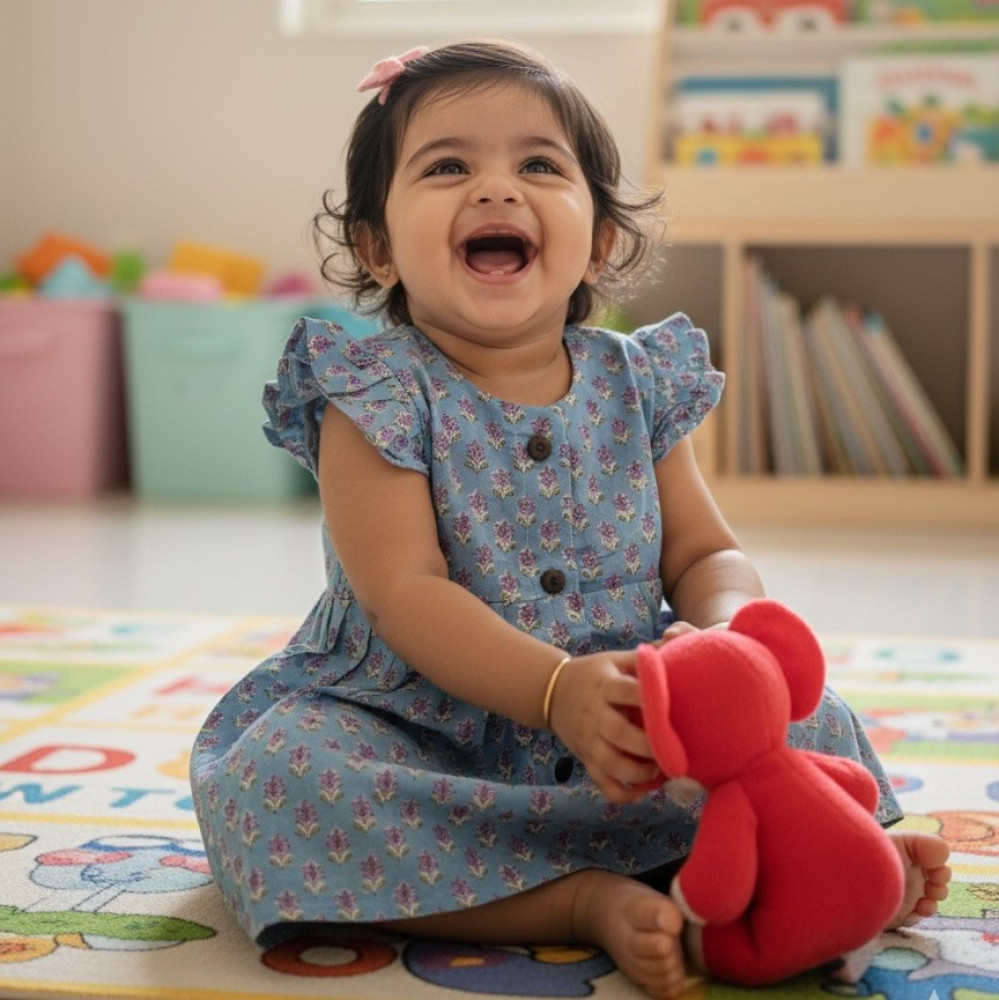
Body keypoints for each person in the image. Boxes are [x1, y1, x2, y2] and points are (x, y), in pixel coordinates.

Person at [190, 39, 950, 999]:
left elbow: (704, 550)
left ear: (598, 240)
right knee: (280, 777)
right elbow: (404, 592)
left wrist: (727, 636)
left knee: (804, 716)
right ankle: (573, 900)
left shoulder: (637, 380)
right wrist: (553, 693)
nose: (495, 188)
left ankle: (833, 859)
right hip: (424, 729)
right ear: (377, 245)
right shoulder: (373, 392)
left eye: (539, 166)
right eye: (447, 167)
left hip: (636, 719)